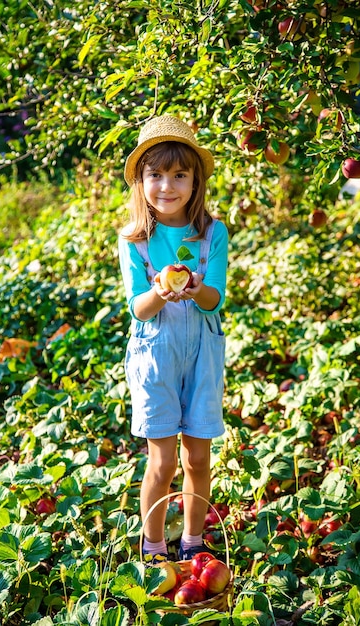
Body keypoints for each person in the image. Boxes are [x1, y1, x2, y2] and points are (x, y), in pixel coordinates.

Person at [118, 115, 228, 563]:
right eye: (156, 174)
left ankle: (194, 542)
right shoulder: (134, 241)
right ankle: (155, 546)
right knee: (161, 463)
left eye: (179, 174)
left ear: (195, 180)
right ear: (142, 180)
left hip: (202, 356)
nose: (167, 185)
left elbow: (213, 301)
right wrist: (161, 290)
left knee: (198, 459)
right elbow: (137, 308)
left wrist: (195, 287)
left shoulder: (212, 233)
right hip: (155, 357)